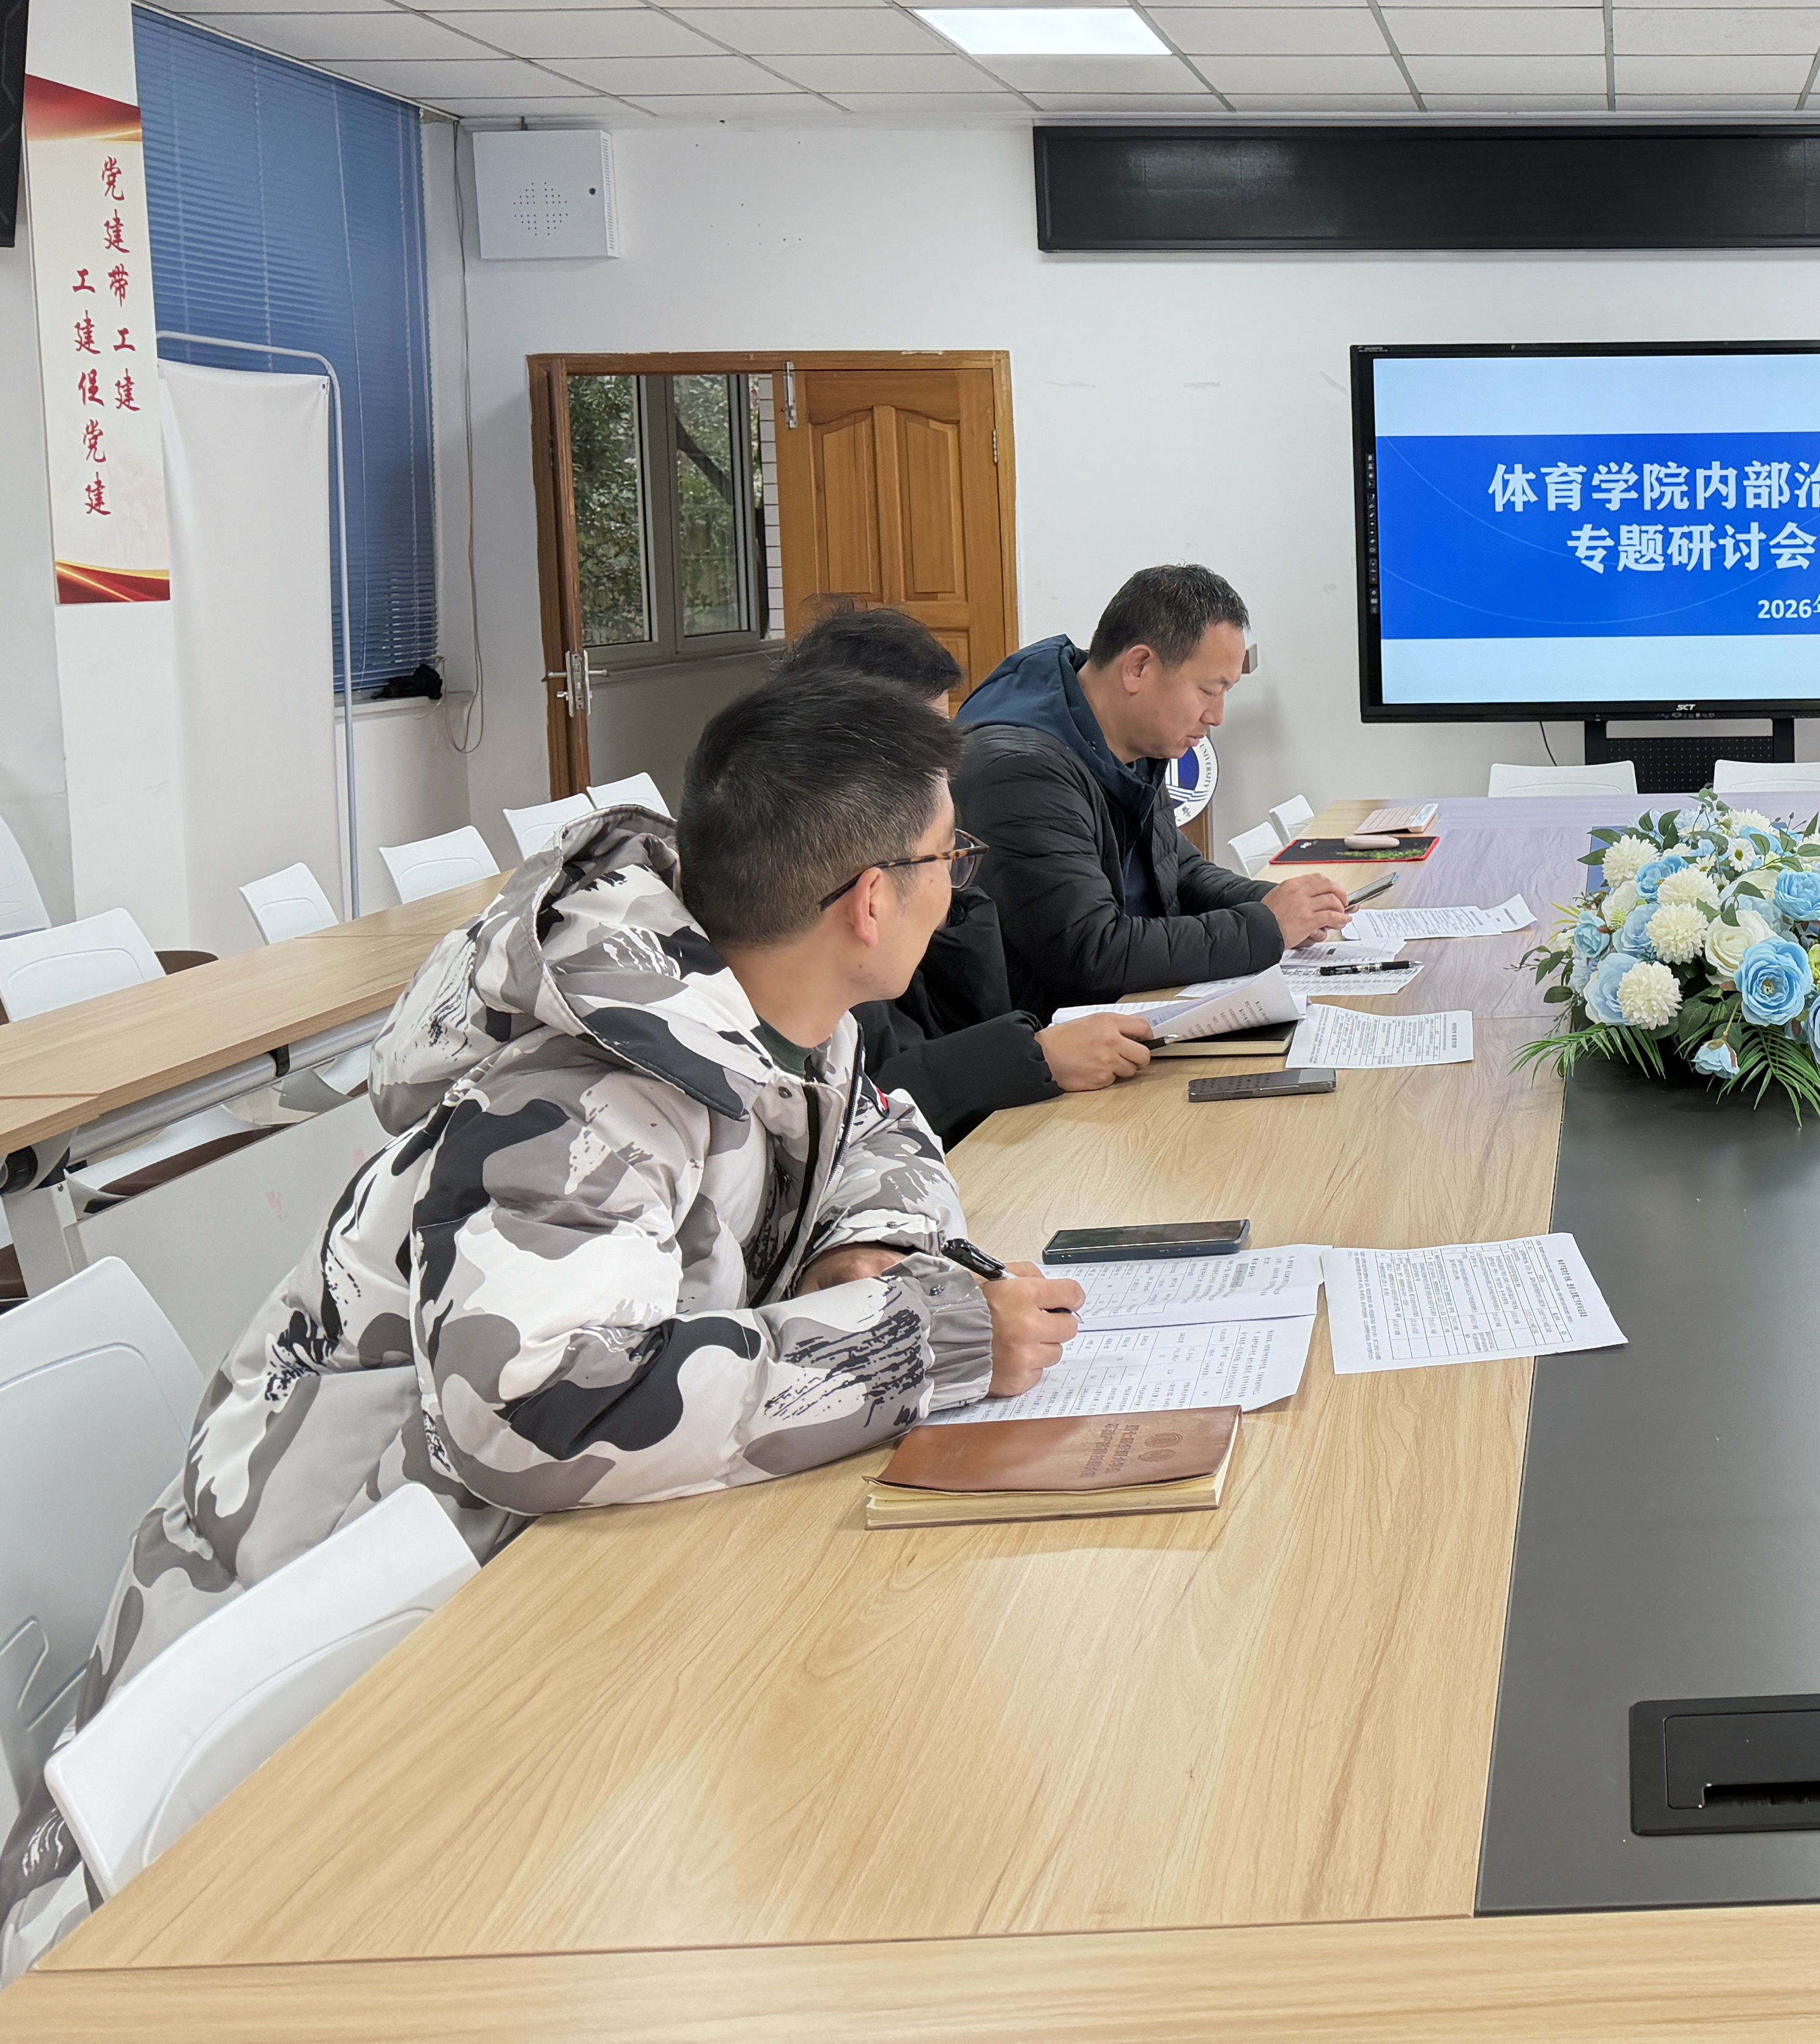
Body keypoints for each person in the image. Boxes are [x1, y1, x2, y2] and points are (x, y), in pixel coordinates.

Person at [0, 670, 1085, 1977]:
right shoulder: (590, 1100)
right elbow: (543, 1410)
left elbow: (874, 1132)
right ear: (870, 900)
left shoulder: (771, 1007)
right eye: (948, 857)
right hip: (271, 1752)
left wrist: (866, 1253)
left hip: (472, 1610)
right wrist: (917, 1339)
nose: (958, 884)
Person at [775, 604, 1156, 1143]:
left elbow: (951, 1030)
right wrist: (1033, 1057)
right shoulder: (806, 883)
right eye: (926, 748)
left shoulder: (914, 857)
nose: (946, 771)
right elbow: (848, 1106)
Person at [952, 564, 1347, 1017]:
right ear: (1138, 667)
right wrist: (1265, 927)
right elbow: (1093, 951)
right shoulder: (1021, 772)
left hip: (1129, 1011)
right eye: (1209, 690)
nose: (1217, 716)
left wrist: (1276, 904)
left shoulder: (1130, 738)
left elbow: (1179, 870)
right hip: (1059, 1036)